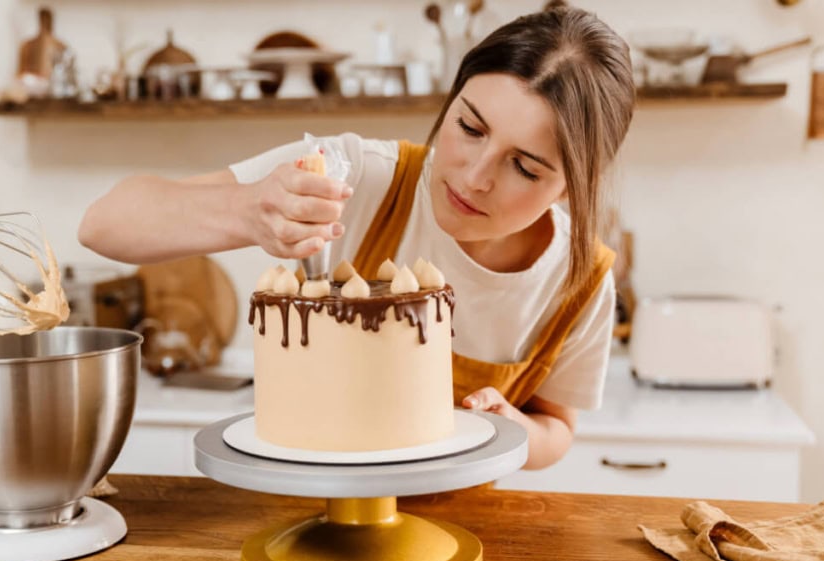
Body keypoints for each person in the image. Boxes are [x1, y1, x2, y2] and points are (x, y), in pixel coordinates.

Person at [79, 2, 635, 470]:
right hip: (305, 513)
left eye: (526, 167)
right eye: (469, 127)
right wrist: (247, 209)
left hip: (467, 531)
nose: (474, 176)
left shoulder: (579, 279)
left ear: (571, 187)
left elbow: (556, 427)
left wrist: (512, 427)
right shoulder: (353, 175)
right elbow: (104, 224)